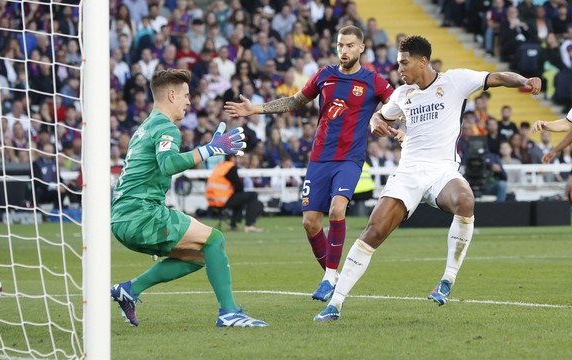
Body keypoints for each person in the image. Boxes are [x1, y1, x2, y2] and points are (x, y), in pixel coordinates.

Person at [314, 35, 542, 321]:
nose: (400, 70)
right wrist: (376, 124)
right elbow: (379, 117)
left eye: (404, 63)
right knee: (374, 232)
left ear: (423, 61)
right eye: (399, 64)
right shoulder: (401, 94)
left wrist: (523, 80)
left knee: (465, 200)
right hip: (408, 171)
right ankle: (335, 303)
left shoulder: (455, 82)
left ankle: (447, 279)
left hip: (442, 170)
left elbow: (497, 77)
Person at [224, 26, 393, 302]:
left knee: (337, 209)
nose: (344, 51)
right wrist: (255, 109)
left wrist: (383, 121)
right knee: (310, 223)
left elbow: (396, 104)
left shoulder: (374, 81)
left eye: (350, 45)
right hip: (319, 158)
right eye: (340, 45)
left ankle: (328, 277)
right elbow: (294, 101)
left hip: (350, 158)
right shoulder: (325, 75)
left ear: (362, 48)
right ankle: (334, 276)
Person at [110, 69, 267, 328]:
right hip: (141, 213)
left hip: (123, 217)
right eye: (185, 95)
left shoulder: (145, 127)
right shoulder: (166, 128)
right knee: (215, 240)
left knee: (199, 255)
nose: (189, 101)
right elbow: (168, 164)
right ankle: (229, 313)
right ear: (171, 95)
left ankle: (130, 290)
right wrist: (209, 149)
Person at [206, 154, 264, 232]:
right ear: (232, 158)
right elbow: (238, 186)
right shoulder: (231, 167)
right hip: (222, 200)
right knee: (253, 195)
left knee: (239, 197)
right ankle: (249, 225)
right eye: (237, 158)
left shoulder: (220, 166)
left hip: (213, 201)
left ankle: (233, 225)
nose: (239, 160)